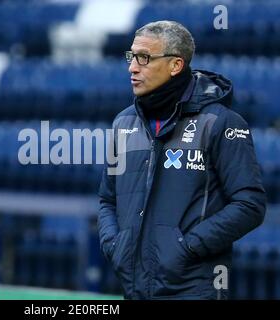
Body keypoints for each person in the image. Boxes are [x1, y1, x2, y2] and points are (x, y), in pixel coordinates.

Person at [97, 21, 266, 300]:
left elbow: (250, 204)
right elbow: (107, 199)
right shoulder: (123, 123)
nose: (132, 67)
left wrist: (187, 247)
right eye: (131, 57)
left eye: (144, 58)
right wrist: (115, 245)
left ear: (175, 65)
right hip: (134, 288)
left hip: (193, 289)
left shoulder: (220, 123)